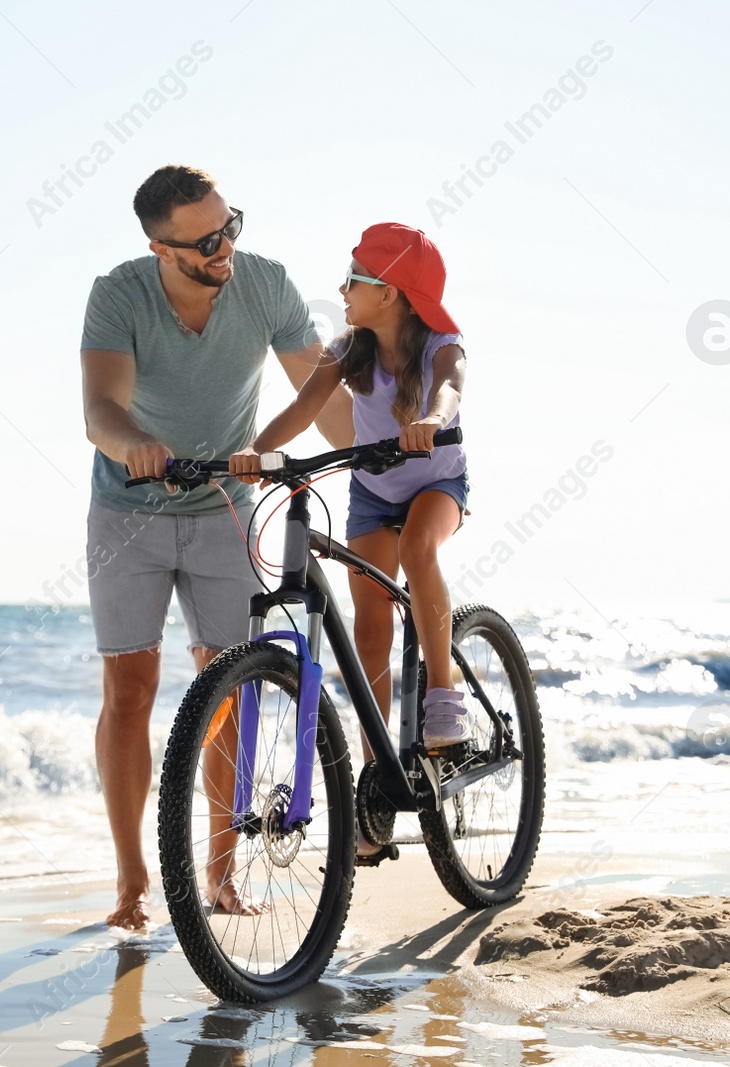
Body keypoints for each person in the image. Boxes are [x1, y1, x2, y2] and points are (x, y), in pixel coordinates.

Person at [80, 165, 351, 931]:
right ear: (161, 248)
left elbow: (320, 392)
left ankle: (222, 875)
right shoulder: (119, 294)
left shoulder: (263, 284)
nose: (224, 245)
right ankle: (133, 881)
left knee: (229, 689)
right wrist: (135, 443)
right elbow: (100, 407)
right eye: (205, 239)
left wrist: (384, 467)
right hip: (126, 511)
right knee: (129, 689)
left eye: (230, 224)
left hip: (224, 508)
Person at [230, 223, 470, 861]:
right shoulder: (347, 350)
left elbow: (449, 389)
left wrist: (429, 421)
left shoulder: (442, 345)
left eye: (354, 279)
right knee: (369, 631)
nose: (342, 288)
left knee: (420, 550)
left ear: (390, 293)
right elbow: (304, 409)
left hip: (437, 483)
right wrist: (256, 452)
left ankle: (443, 700)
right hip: (372, 492)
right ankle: (378, 785)